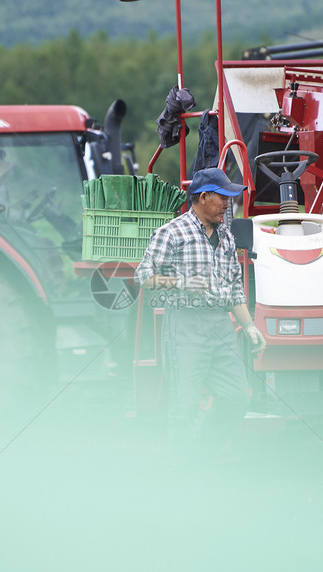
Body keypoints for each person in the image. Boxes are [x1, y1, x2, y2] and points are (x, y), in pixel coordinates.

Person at [134, 167, 266, 461]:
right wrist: (182, 283)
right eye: (222, 198)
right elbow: (143, 275)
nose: (227, 205)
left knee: (236, 396)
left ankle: (201, 451)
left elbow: (234, 288)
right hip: (185, 324)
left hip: (221, 324)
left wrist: (249, 326)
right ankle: (183, 469)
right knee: (185, 403)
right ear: (203, 197)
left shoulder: (227, 238)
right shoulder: (172, 233)